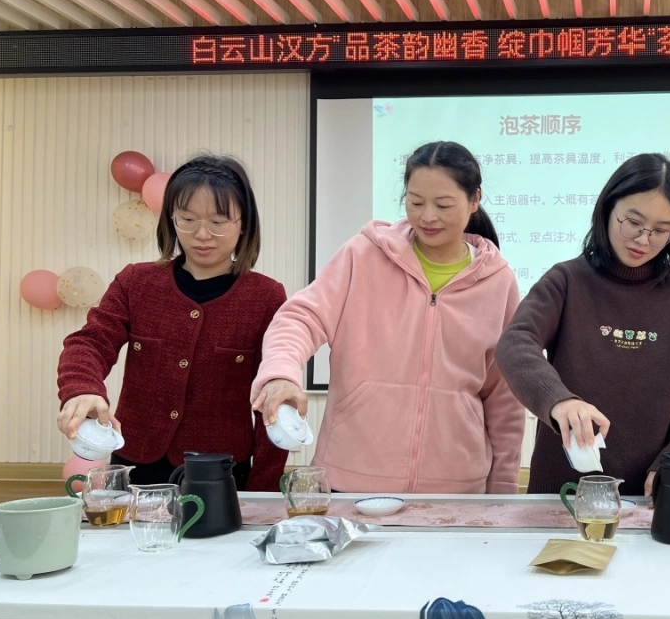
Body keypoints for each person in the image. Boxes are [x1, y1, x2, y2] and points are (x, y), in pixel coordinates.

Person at [250, 141, 525, 495]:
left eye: (443, 205)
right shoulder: (364, 255)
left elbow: (504, 397)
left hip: (455, 491)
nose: (428, 217)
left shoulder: (497, 281)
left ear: (474, 200)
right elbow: (300, 317)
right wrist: (281, 375)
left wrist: (501, 493)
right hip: (352, 482)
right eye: (415, 202)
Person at [495, 153, 670, 498]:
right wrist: (559, 401)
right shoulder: (567, 280)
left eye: (661, 231)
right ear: (607, 209)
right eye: (633, 222)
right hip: (562, 492)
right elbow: (515, 343)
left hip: (650, 494)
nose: (643, 240)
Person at [56, 154, 288, 492]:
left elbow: (273, 398)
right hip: (136, 461)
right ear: (171, 219)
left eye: (219, 221)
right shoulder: (136, 282)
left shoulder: (266, 296)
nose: (202, 234)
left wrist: (264, 489)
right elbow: (90, 342)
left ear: (244, 223)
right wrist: (82, 388)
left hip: (220, 470)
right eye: (188, 219)